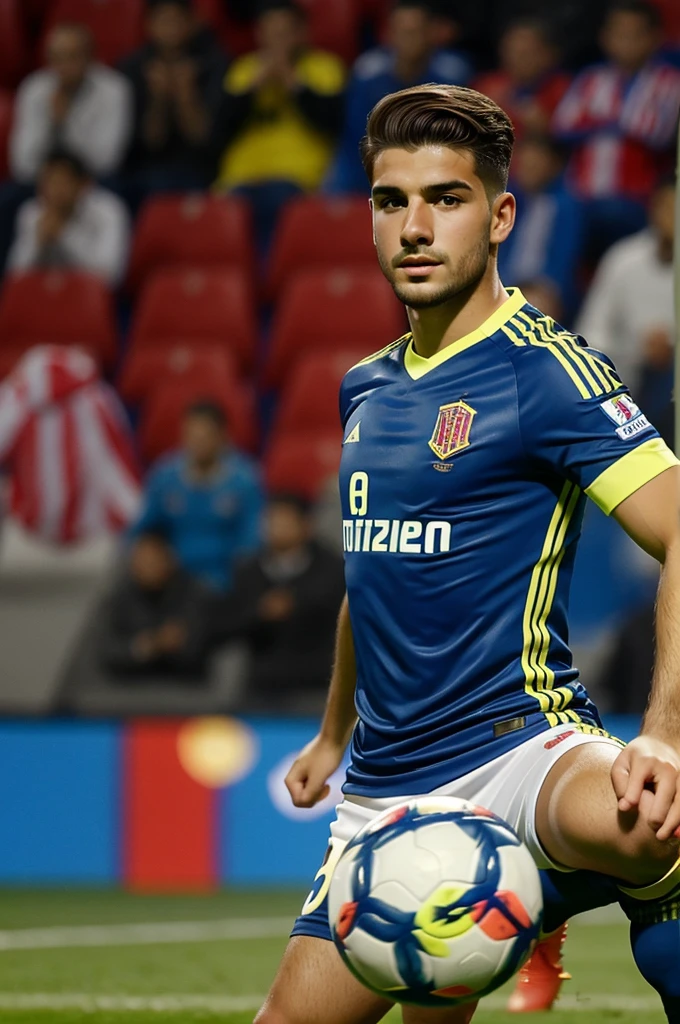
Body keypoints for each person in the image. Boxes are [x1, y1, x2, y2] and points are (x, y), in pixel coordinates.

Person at [254, 84, 680, 1024]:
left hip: (518, 751)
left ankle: (577, 876)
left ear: (498, 217)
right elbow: (375, 576)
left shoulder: (546, 369)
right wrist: (333, 733)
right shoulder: (364, 387)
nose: (414, 225)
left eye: (444, 200)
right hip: (383, 797)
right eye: (390, 200)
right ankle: (541, 898)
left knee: (651, 826)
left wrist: (663, 731)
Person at [214, 0, 345, 252]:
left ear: (302, 33)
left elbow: (331, 123)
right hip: (240, 179)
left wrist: (291, 80)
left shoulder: (325, 68)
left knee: (276, 204)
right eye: (269, 33)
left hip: (296, 179)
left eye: (284, 33)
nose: (276, 41)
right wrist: (253, 88)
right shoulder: (243, 70)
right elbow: (219, 131)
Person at [552, 0, 680, 258]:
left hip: (637, 200)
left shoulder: (669, 81)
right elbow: (562, 125)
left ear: (655, 38)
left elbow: (658, 133)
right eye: (619, 34)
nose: (626, 42)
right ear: (605, 37)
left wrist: (597, 122)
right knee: (557, 221)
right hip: (584, 196)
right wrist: (620, 124)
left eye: (635, 35)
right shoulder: (590, 78)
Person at [326, 0, 471, 195]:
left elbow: (455, 138)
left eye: (415, 32)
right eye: (401, 32)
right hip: (368, 165)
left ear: (430, 33)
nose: (408, 40)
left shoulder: (453, 74)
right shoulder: (367, 73)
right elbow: (358, 137)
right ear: (390, 35)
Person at [228, 494, 345, 712]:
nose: (277, 528)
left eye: (285, 521)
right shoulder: (247, 570)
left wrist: (296, 604)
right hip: (263, 682)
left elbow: (334, 615)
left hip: (318, 680)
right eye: (271, 521)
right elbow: (231, 622)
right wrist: (261, 613)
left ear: (306, 525)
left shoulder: (333, 568)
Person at [131, 400, 262, 592]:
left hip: (225, 578)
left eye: (205, 436)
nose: (197, 443)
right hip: (172, 577)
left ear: (222, 436)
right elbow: (143, 526)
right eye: (191, 435)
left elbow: (251, 538)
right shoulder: (165, 476)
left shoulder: (244, 480)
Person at [577, 175, 675, 413]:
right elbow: (591, 333)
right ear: (653, 209)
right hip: (625, 382)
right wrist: (637, 351)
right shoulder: (623, 259)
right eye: (668, 208)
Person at [119, 0, 228, 200]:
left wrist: (186, 97)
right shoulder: (133, 68)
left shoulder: (214, 64)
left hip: (198, 166)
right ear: (148, 25)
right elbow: (150, 143)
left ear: (191, 23)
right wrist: (159, 100)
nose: (170, 29)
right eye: (163, 21)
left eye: (176, 20)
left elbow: (203, 139)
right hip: (145, 167)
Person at [9, 22, 132, 184]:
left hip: (92, 183)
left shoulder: (114, 89)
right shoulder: (34, 89)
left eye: (73, 57)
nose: (64, 66)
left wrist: (65, 123)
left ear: (90, 57)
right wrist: (52, 125)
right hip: (42, 183)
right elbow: (22, 164)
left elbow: (106, 162)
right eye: (57, 58)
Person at [98, 530, 215, 682]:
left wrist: (174, 643)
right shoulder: (120, 597)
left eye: (153, 560)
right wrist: (145, 647)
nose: (147, 567)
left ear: (169, 560)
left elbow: (205, 645)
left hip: (186, 688)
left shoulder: (196, 593)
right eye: (141, 560)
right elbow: (106, 649)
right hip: (131, 688)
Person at [7, 150, 130, 286]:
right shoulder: (32, 211)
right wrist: (38, 244)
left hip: (88, 299)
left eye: (61, 182)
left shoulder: (108, 211)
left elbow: (110, 276)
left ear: (84, 184)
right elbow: (15, 276)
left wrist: (63, 236)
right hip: (41, 295)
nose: (53, 190)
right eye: (48, 181)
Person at [497, 133, 584, 320]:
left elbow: (564, 260)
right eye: (525, 164)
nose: (528, 170)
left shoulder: (565, 205)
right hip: (505, 283)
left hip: (544, 289)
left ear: (553, 165)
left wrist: (546, 291)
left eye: (535, 164)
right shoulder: (509, 200)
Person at [473, 20, 570, 141]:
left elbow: (568, 134)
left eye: (525, 53)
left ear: (548, 55)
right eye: (510, 51)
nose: (515, 59)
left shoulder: (563, 90)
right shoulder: (488, 85)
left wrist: (546, 128)